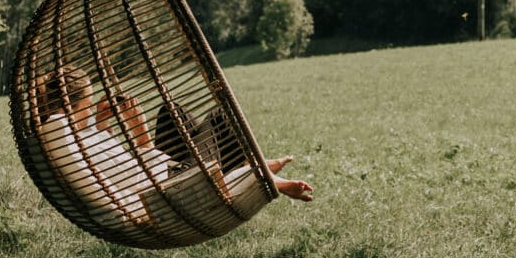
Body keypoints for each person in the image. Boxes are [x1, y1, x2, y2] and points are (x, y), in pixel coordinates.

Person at [36, 66, 313, 206]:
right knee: (218, 117)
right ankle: (262, 173)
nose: (92, 103)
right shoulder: (60, 129)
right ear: (70, 107)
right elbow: (131, 172)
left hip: (161, 170)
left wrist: (98, 122)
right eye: (88, 100)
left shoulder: (72, 137)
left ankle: (248, 165)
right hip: (171, 184)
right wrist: (141, 133)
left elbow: (107, 160)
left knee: (171, 111)